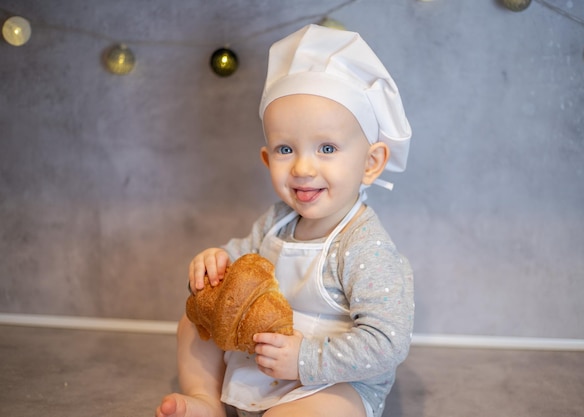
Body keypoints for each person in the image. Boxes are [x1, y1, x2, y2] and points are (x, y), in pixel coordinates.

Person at [156, 24, 414, 417]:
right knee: (193, 323)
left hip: (334, 381)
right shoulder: (277, 221)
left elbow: (387, 342)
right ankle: (207, 399)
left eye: (327, 148)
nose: (303, 167)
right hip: (264, 360)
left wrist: (306, 360)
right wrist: (214, 262)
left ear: (371, 163)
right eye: (285, 149)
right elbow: (239, 264)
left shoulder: (363, 246)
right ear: (266, 159)